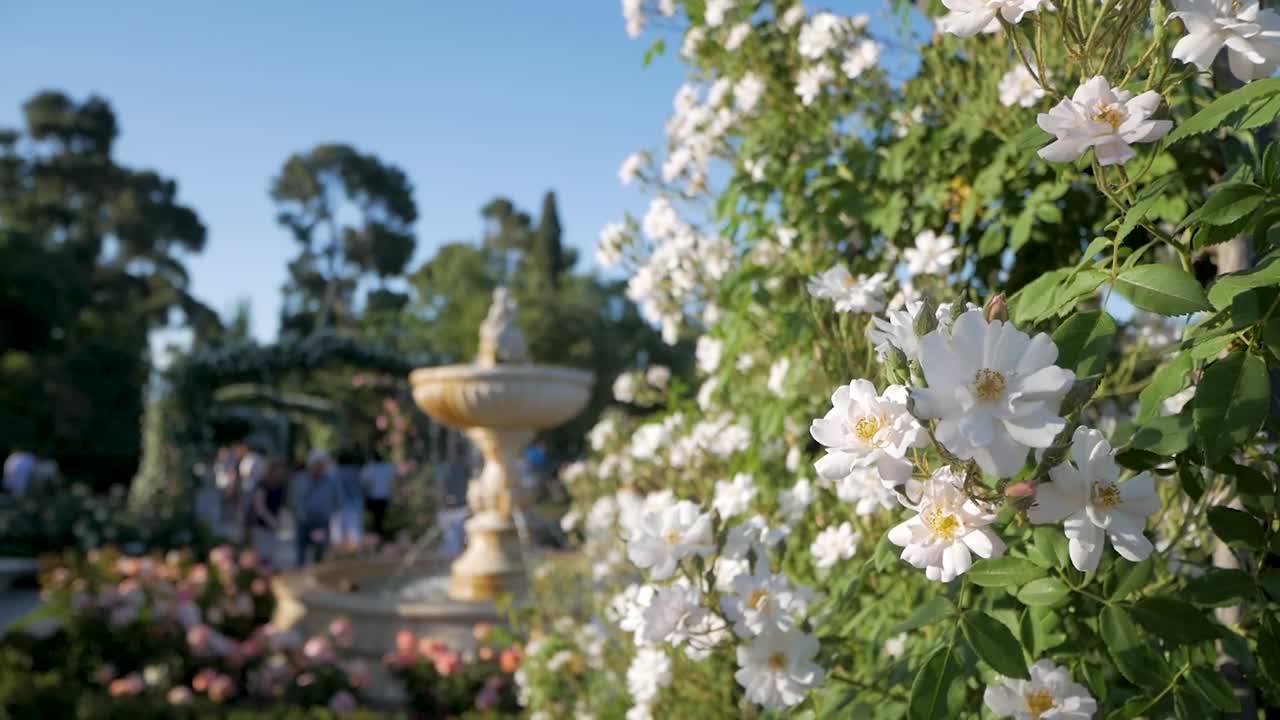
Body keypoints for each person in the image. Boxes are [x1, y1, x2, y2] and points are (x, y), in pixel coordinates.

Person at [290, 449, 342, 566]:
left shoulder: (331, 482)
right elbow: (294, 501)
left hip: (321, 523)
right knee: (300, 554)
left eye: (321, 465)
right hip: (303, 523)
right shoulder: (300, 480)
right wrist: (300, 515)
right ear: (310, 465)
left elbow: (338, 501)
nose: (318, 468)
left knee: (319, 554)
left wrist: (327, 513)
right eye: (316, 464)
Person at [252, 459, 289, 567]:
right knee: (262, 556)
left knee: (270, 557)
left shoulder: (280, 485)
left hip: (273, 526)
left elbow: (280, 506)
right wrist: (271, 521)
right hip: (262, 525)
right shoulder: (262, 484)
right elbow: (260, 508)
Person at [331, 449, 365, 549]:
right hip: (355, 504)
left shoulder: (335, 473)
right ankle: (355, 555)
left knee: (337, 534)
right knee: (355, 532)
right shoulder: (357, 471)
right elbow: (363, 487)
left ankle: (338, 556)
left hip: (339, 506)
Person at [235, 441, 268, 541]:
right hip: (252, 489)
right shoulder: (259, 459)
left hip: (250, 490)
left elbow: (245, 473)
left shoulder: (250, 459)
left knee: (248, 516)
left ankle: (247, 538)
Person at [361, 448, 396, 539]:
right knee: (379, 518)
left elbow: (365, 483)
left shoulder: (369, 467)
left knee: (376, 518)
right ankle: (378, 534)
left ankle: (376, 535)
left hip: (373, 498)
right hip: (384, 497)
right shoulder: (388, 467)